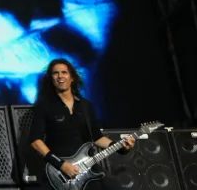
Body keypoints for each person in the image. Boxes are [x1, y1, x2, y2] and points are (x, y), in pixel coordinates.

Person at [29, 58, 133, 190]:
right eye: (56, 73)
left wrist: (121, 146)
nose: (60, 76)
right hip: (58, 171)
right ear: (51, 78)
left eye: (64, 72)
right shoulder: (45, 106)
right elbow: (35, 141)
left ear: (72, 77)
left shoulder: (85, 106)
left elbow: (97, 138)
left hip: (86, 169)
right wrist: (61, 164)